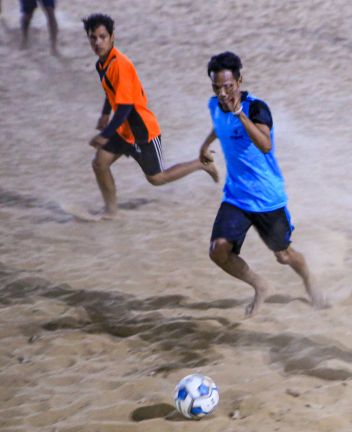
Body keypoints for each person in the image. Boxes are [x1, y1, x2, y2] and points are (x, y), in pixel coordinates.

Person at [199, 51, 325, 317]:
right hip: (236, 197)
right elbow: (219, 125)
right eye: (217, 87)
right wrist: (206, 145)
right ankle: (260, 285)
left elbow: (266, 145)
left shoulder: (257, 108)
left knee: (284, 255)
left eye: (228, 87)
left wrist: (240, 115)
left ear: (240, 81)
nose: (222, 93)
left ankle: (309, 281)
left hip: (267, 198)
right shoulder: (214, 105)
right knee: (218, 250)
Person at [83, 14, 219, 219]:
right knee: (99, 163)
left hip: (142, 131)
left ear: (112, 37)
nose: (97, 42)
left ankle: (201, 164)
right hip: (123, 130)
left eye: (102, 37)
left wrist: (106, 133)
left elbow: (126, 107)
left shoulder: (120, 64)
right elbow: (111, 91)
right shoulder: (102, 64)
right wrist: (104, 114)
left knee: (157, 178)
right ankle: (111, 211)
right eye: (93, 37)